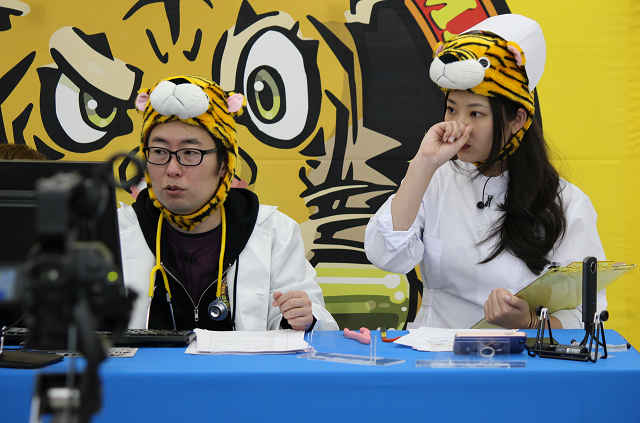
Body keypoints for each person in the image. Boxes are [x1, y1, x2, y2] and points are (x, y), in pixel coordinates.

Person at [364, 14, 606, 330]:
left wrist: (530, 323)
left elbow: (590, 316)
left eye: (475, 113)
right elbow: (385, 255)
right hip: (434, 351)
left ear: (517, 120)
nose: (458, 126)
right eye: (452, 109)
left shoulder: (566, 203)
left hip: (520, 357)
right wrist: (424, 163)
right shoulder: (437, 179)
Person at [118, 75, 338, 331]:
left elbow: (319, 324)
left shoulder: (274, 231)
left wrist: (303, 319)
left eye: (190, 153)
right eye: (159, 152)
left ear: (224, 164)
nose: (172, 169)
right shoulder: (116, 231)